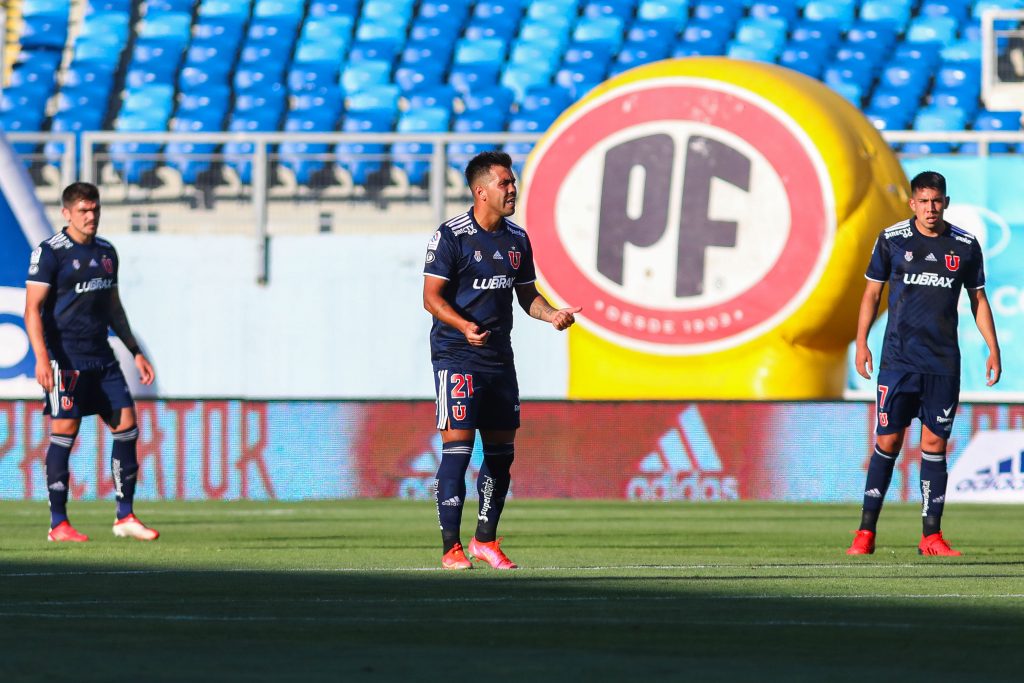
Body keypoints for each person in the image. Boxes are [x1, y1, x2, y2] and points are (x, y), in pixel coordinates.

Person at [422, 151, 581, 570]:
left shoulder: (517, 239)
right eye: (504, 183)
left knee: (501, 454)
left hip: (498, 359)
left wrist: (552, 315)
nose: (513, 189)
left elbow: (527, 295)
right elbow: (431, 298)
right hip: (457, 356)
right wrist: (464, 326)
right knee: (458, 449)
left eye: (513, 182)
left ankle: (485, 540)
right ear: (481, 191)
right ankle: (451, 548)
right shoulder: (451, 236)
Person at [847, 171, 1001, 557]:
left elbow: (978, 299)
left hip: (942, 364)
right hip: (898, 361)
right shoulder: (892, 239)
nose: (931, 208)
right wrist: (861, 343)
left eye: (937, 201)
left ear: (945, 203)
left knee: (934, 445)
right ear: (912, 203)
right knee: (889, 441)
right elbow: (871, 294)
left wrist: (993, 348)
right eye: (924, 201)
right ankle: (865, 532)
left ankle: (931, 535)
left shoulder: (965, 245)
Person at [24, 182, 159, 542]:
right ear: (66, 213)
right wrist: (41, 358)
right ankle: (58, 523)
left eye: (95, 209)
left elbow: (113, 307)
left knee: (127, 426)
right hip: (65, 359)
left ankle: (125, 516)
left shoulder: (106, 252)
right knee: (65, 432)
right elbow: (32, 310)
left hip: (103, 358)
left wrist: (135, 350)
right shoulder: (50, 253)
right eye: (83, 210)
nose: (91, 216)